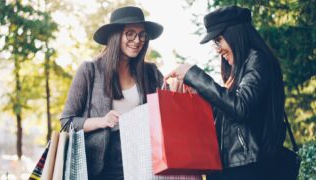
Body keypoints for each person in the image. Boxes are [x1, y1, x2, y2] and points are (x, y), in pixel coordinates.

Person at [167, 6, 286, 180]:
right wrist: (200, 92)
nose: (218, 49)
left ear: (235, 34)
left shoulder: (257, 60)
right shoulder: (237, 70)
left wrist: (195, 75)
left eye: (218, 40)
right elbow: (227, 118)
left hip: (246, 169)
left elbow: (241, 108)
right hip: (229, 167)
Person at [60, 6, 164, 179]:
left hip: (142, 161)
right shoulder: (89, 70)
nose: (137, 40)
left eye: (142, 34)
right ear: (115, 35)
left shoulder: (150, 72)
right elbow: (67, 121)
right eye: (130, 33)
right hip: (101, 165)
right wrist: (102, 121)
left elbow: (166, 109)